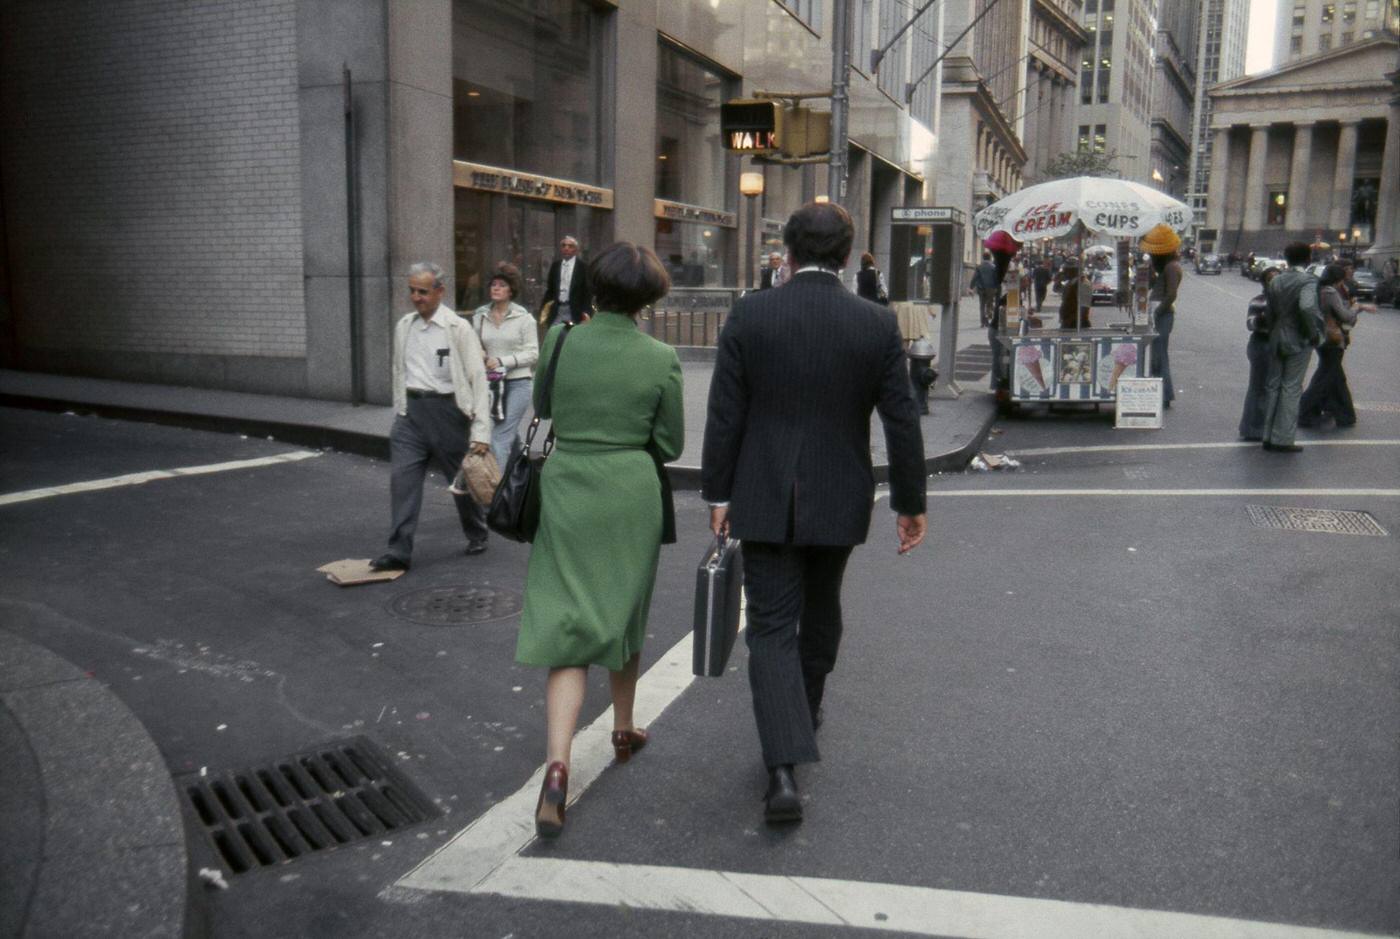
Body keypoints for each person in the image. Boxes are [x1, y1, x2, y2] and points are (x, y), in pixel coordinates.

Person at [701, 202, 928, 826]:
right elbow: (901, 418)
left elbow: (726, 414)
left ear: (788, 254)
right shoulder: (877, 324)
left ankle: (782, 765)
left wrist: (717, 495)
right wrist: (910, 502)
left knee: (771, 624)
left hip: (763, 492)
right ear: (849, 256)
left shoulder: (751, 314)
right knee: (823, 607)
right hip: (839, 491)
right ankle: (805, 709)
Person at [517, 242, 684, 839]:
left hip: (568, 487)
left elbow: (542, 407)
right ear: (649, 297)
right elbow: (670, 445)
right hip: (630, 492)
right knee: (623, 611)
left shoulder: (559, 343)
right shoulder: (661, 357)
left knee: (568, 624)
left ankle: (558, 767)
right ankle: (623, 726)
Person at [371, 263, 491, 572]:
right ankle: (398, 550)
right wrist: (401, 410)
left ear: (440, 291)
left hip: (448, 413)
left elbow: (478, 379)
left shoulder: (458, 329)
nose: (416, 297)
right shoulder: (405, 326)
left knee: (460, 482)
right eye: (411, 290)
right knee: (402, 482)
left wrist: (480, 432)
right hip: (411, 415)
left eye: (423, 291)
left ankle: (477, 530)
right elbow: (400, 371)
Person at [469, 262, 540, 468]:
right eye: (493, 285)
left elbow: (533, 354)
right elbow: (474, 344)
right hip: (492, 385)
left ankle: (494, 492)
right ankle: (519, 478)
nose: (496, 288)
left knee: (500, 438)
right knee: (508, 435)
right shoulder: (480, 316)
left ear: (511, 290)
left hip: (518, 383)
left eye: (501, 285)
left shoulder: (524, 318)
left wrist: (501, 361)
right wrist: (481, 354)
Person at [1259, 241, 1324, 453]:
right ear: (1307, 259)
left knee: (1273, 385)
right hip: (1298, 337)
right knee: (1291, 387)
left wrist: (1272, 331)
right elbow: (1307, 307)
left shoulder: (1276, 281)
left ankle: (1267, 434)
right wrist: (1313, 333)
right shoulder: (1308, 281)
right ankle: (1283, 437)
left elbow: (1270, 311)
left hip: (1277, 335)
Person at [1298, 263, 1366, 429]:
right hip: (1333, 339)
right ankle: (1305, 412)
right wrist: (1357, 308)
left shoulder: (1319, 290)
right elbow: (1345, 315)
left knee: (1335, 378)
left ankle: (1345, 413)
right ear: (1338, 278)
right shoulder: (1330, 292)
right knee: (1325, 378)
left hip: (1324, 338)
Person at [1141, 225, 1182, 408]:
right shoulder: (1168, 267)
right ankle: (1162, 392)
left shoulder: (1172, 268)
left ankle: (1164, 393)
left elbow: (1171, 293)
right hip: (1162, 313)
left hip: (1163, 315)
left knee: (1160, 354)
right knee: (1157, 354)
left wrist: (1158, 312)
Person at [1238, 266, 1280, 441]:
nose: (1274, 281)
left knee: (1273, 387)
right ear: (1264, 282)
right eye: (1270, 278)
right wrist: (1264, 317)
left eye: (1278, 278)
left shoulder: (1286, 300)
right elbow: (1250, 324)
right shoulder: (1259, 301)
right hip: (1262, 344)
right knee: (1259, 387)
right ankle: (1253, 427)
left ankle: (1269, 425)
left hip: (1278, 344)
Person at [539, 235, 591, 327]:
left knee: (572, 338)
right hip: (557, 309)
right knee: (554, 336)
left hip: (575, 311)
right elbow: (550, 290)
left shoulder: (583, 267)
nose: (566, 248)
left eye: (570, 246)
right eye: (564, 245)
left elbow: (587, 292)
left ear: (576, 250)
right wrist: (543, 310)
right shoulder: (555, 266)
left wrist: (586, 313)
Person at [971, 251, 999, 326]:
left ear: (983, 257)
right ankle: (987, 319)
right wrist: (997, 287)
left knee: (982, 305)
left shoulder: (979, 267)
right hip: (991, 288)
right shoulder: (993, 267)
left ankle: (982, 322)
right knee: (989, 304)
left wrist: (971, 286)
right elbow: (996, 278)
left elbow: (975, 277)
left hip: (981, 288)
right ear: (990, 258)